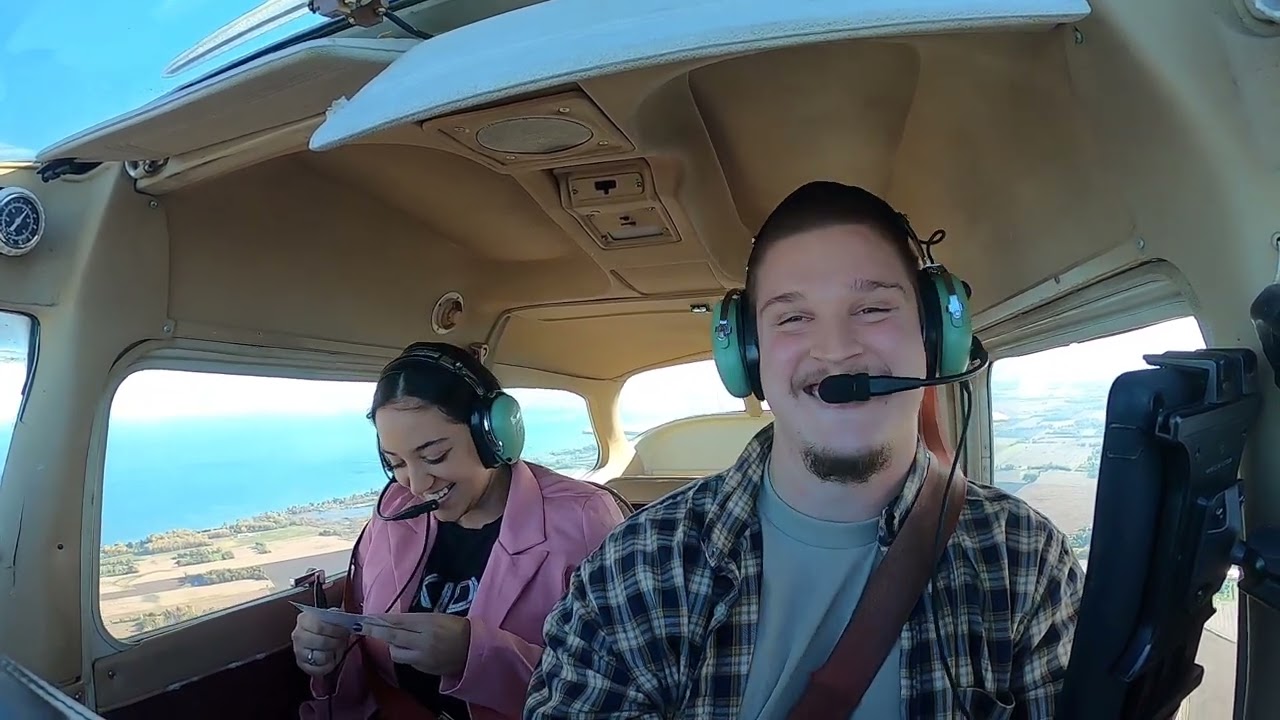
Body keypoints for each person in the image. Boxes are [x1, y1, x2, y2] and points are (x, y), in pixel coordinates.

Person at [524, 181, 1085, 719]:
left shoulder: (1022, 561)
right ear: (749, 358)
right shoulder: (637, 570)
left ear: (935, 335)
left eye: (873, 309)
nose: (837, 349)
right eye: (793, 318)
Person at [294, 341, 627, 720]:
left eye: (435, 456)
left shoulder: (584, 518)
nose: (416, 484)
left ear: (493, 434)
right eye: (395, 462)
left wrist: (476, 655)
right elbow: (364, 630)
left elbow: (622, 683)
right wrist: (326, 647)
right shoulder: (395, 509)